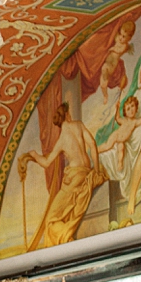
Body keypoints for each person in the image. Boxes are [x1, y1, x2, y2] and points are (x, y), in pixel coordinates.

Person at [22, 101, 103, 248]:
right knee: (63, 214)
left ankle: (65, 237)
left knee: (51, 220)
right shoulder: (78, 125)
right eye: (69, 113)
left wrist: (34, 155)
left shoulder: (61, 141)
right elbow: (92, 144)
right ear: (66, 115)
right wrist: (96, 172)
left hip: (74, 178)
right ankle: (65, 237)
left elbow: (46, 163)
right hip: (86, 172)